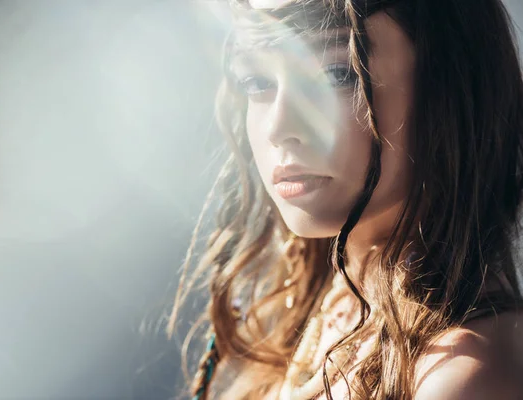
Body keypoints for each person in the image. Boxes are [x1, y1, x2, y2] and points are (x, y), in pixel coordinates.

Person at [169, 0, 523, 398]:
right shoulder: (324, 307)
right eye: (257, 82)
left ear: (452, 84)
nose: (277, 126)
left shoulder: (460, 377)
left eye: (338, 73)